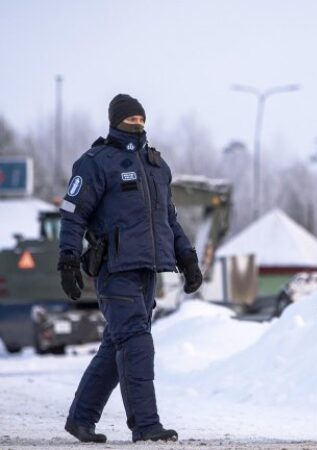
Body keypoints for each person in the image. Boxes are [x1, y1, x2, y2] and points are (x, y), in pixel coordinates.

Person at [58, 94, 203, 443]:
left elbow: (168, 220)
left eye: (140, 118)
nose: (136, 123)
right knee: (136, 341)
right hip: (115, 269)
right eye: (129, 118)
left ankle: (81, 419)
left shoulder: (156, 165)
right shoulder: (96, 162)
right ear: (114, 121)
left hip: (147, 269)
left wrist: (188, 258)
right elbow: (73, 214)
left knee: (116, 345)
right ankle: (146, 425)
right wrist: (68, 259)